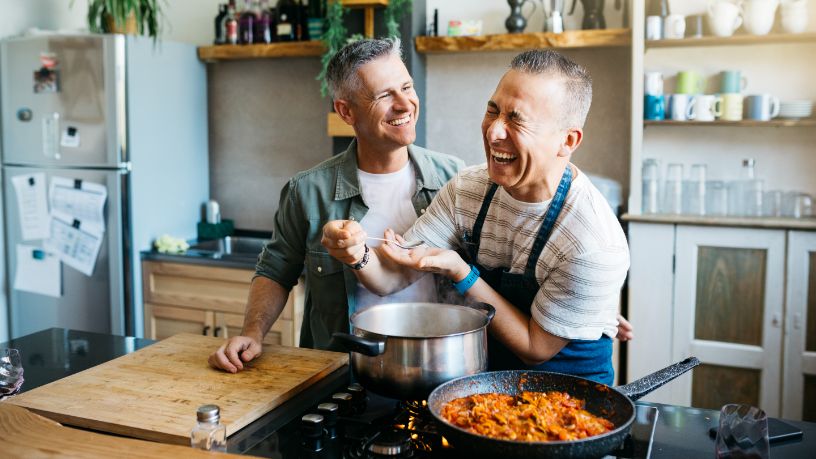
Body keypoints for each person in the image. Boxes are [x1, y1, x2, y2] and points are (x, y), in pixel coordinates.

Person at [321, 49, 632, 385]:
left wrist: (462, 272)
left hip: (567, 403)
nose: (494, 131)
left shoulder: (593, 242)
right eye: (492, 110)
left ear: (567, 140)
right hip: (485, 390)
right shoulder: (468, 189)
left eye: (516, 119)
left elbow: (534, 348)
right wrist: (357, 255)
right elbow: (393, 276)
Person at [208, 38, 464, 373]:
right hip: (342, 376)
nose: (405, 104)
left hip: (439, 370)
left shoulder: (455, 179)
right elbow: (274, 271)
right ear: (346, 111)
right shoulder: (307, 191)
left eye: (407, 87)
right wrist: (252, 333)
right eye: (385, 95)